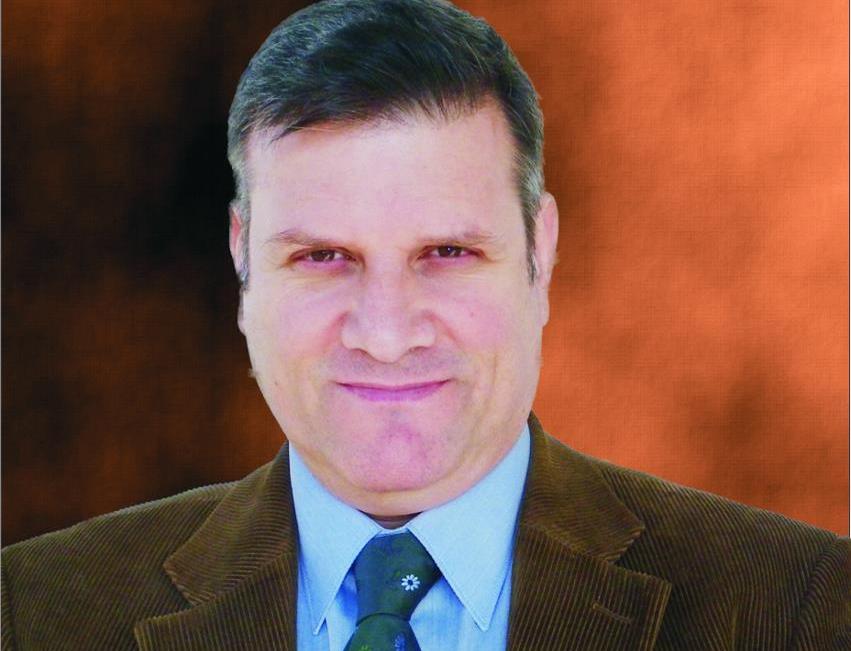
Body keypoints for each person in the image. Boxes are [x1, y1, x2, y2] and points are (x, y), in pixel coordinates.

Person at [2, 0, 847, 649]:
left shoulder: (799, 606)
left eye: (445, 251)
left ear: (539, 251)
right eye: (323, 256)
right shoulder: (35, 611)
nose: (385, 332)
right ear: (241, 257)